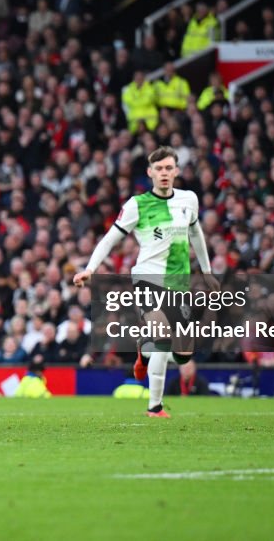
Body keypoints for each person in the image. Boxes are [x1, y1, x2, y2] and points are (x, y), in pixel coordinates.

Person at [73, 146, 215, 419]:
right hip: (148, 278)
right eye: (158, 169)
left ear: (176, 171)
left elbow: (196, 233)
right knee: (162, 336)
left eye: (168, 168)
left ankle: (144, 347)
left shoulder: (189, 200)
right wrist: (90, 268)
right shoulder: (136, 205)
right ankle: (155, 407)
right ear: (150, 173)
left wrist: (207, 271)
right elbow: (110, 239)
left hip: (179, 283)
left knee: (184, 354)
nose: (164, 173)